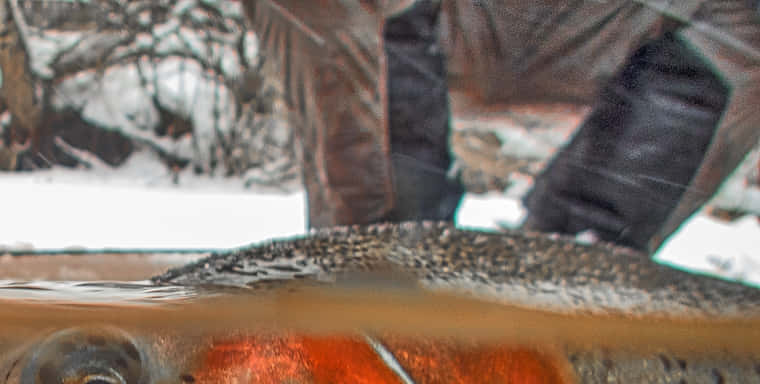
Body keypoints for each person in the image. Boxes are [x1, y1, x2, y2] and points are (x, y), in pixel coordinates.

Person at [245, 0, 760, 252]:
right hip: (425, 19)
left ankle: (575, 267)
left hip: (632, 23)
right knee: (381, 259)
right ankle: (377, 259)